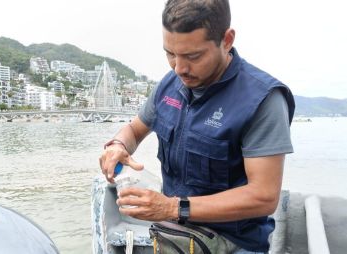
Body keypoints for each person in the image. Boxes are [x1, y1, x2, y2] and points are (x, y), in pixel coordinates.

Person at [99, 0, 295, 253]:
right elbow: (135, 130)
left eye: (193, 56)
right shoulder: (169, 85)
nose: (179, 68)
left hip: (234, 244)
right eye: (170, 54)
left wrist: (171, 208)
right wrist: (118, 145)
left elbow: (264, 196)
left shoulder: (263, 100)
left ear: (226, 40)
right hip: (176, 234)